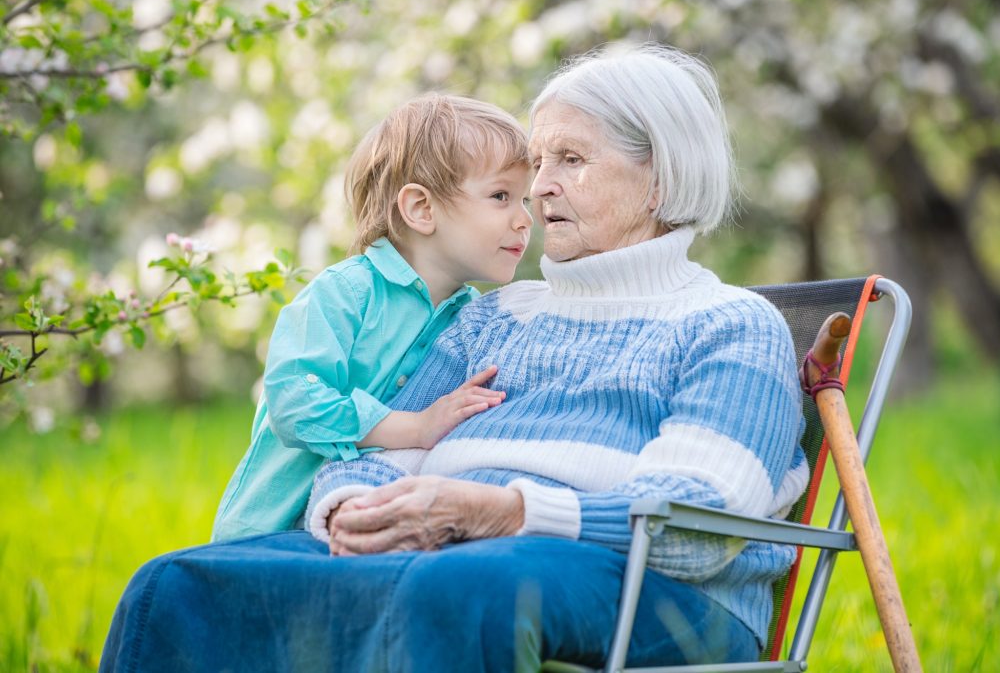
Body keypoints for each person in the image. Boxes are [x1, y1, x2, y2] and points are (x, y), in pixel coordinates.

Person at [101, 44, 808, 672]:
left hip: (657, 596)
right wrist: (352, 509)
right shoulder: (492, 315)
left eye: (571, 159)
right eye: (536, 164)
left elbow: (695, 523)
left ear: (662, 179)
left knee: (463, 589)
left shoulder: (730, 325)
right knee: (176, 585)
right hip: (446, 560)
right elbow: (384, 444)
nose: (537, 188)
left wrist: (500, 511)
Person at [212, 93, 533, 541]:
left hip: (366, 534)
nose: (525, 220)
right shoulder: (346, 293)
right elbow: (293, 400)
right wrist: (415, 428)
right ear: (422, 209)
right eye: (502, 196)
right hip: (270, 533)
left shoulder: (474, 322)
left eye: (526, 200)